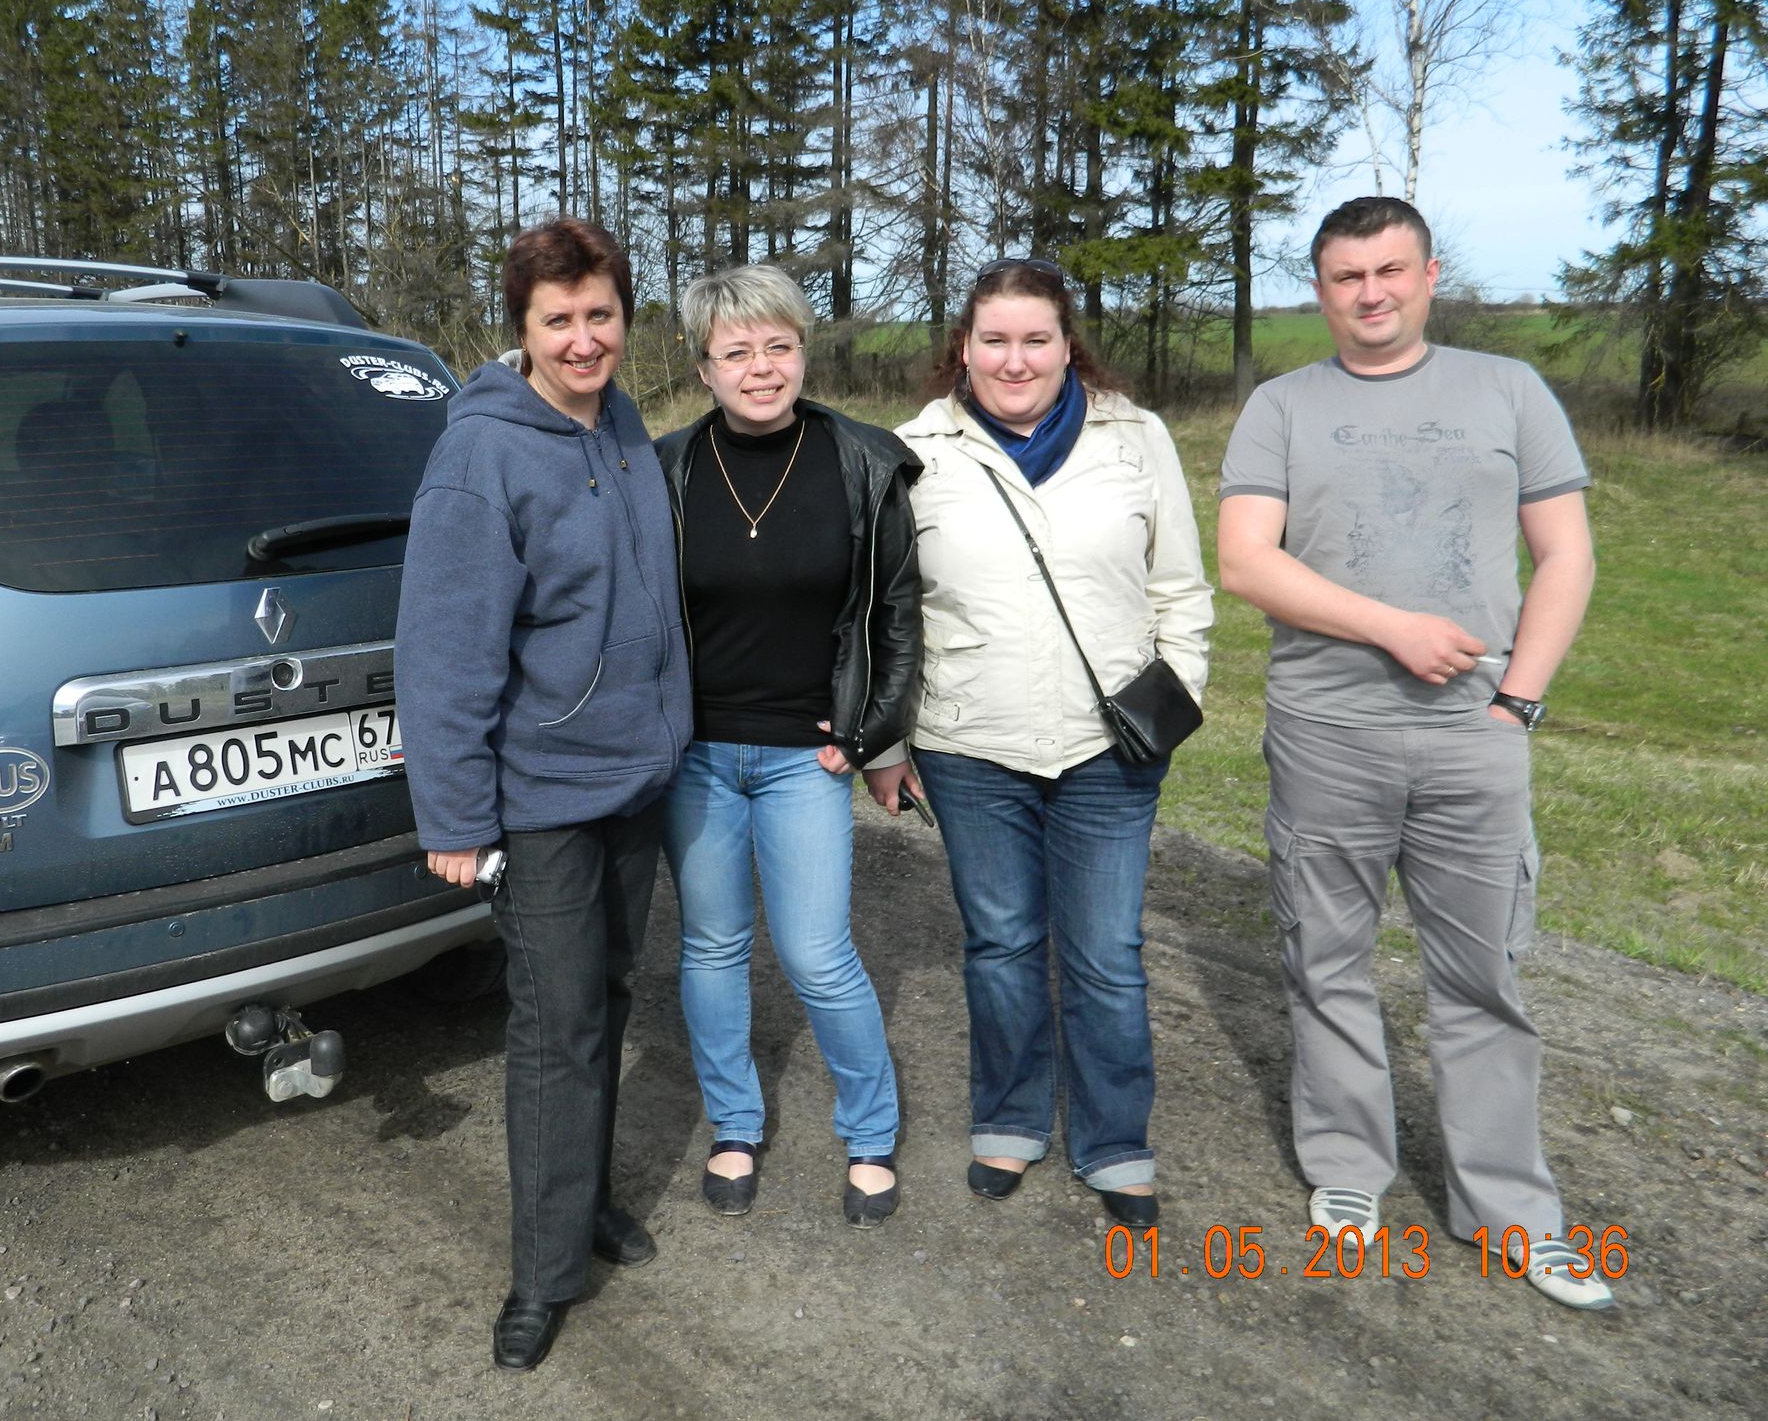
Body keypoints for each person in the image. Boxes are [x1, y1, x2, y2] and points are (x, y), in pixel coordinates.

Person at [1216, 195, 1611, 1310]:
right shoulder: (1282, 407)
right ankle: (1348, 1171)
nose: (1371, 294)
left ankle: (1512, 1213)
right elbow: (1246, 562)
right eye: (1348, 277)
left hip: (1475, 741)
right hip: (1326, 733)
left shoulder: (1508, 390)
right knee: (1326, 961)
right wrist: (1391, 628)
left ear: (1430, 275)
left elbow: (1566, 555)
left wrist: (1517, 704)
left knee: (1483, 978)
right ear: (1321, 290)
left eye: (1391, 271)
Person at [395, 218, 693, 1371]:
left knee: (607, 998)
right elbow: (444, 652)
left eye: (599, 315)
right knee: (556, 1027)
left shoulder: (620, 422)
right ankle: (543, 1273)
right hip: (545, 794)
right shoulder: (480, 458)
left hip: (634, 775)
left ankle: (585, 1198)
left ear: (625, 316)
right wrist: (455, 817)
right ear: (520, 329)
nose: (583, 340)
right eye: (557, 320)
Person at [885, 258, 1211, 1224]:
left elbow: (1179, 587)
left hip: (1109, 747)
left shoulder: (1135, 439)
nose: (1015, 360)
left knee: (1106, 952)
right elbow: (891, 609)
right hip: (970, 744)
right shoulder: (914, 452)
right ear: (964, 348)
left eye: (1036, 339)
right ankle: (1011, 1118)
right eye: (995, 340)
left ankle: (1115, 1142)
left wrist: (1177, 694)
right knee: (1002, 945)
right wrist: (889, 738)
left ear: (1069, 345)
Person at [653, 264, 922, 1229]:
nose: (761, 368)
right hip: (697, 757)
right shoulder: (666, 469)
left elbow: (896, 613)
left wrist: (873, 732)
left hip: (807, 760)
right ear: (704, 368)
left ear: (803, 353)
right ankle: (735, 1126)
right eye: (737, 352)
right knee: (712, 947)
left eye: (779, 345)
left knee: (816, 953)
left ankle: (871, 1132)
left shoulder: (863, 461)